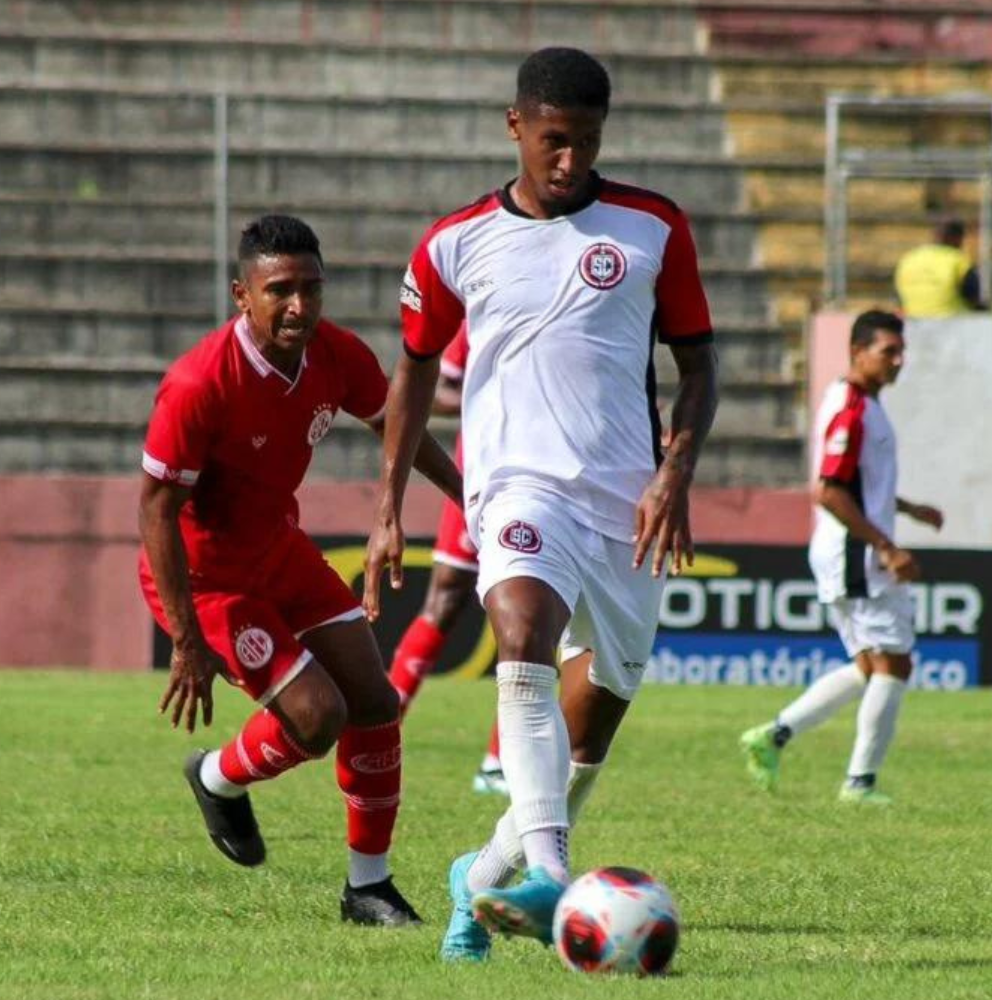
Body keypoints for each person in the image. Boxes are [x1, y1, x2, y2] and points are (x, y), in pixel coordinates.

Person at [364, 47, 719, 961]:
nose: (570, 160)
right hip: (516, 485)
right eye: (555, 141)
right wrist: (387, 508)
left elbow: (699, 365)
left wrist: (675, 469)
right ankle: (555, 877)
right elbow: (407, 375)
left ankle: (479, 881)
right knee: (519, 627)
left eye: (588, 142)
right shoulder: (455, 242)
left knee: (594, 718)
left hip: (627, 502)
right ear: (516, 126)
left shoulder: (653, 227)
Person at [139, 214, 460, 926]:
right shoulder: (198, 384)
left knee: (376, 704)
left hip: (280, 553)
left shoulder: (334, 354)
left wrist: (467, 497)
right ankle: (217, 777)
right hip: (209, 581)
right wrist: (187, 640)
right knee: (319, 719)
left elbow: (395, 424)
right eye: (280, 290)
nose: (299, 306)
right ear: (241, 295)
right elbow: (156, 513)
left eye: (311, 289)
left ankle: (367, 888)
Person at [738, 309, 943, 806]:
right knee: (895, 664)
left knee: (872, 667)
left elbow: (855, 485)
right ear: (858, 351)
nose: (898, 361)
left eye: (901, 351)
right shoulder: (852, 407)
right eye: (887, 351)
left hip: (846, 550)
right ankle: (860, 783)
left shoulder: (860, 402)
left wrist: (905, 507)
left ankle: (775, 734)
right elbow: (829, 491)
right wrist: (886, 545)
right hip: (855, 555)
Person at [384, 325, 507, 795]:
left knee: (535, 612)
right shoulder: (476, 304)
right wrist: (488, 397)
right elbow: (434, 388)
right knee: (446, 597)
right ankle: (380, 729)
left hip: (544, 477)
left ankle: (499, 762)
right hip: (475, 473)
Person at [893, 219, 986, 318]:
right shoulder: (958, 260)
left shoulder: (909, 258)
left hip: (914, 323)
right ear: (957, 238)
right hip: (954, 323)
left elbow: (899, 298)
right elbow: (973, 296)